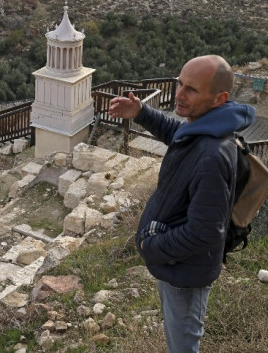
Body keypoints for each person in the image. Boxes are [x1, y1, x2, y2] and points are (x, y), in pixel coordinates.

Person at [108, 55, 255, 352]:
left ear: (219, 98)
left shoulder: (213, 155)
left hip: (185, 271)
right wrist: (141, 112)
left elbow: (205, 233)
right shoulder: (205, 128)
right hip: (177, 264)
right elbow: (178, 135)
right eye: (180, 84)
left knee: (183, 346)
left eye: (192, 89)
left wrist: (153, 246)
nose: (180, 94)